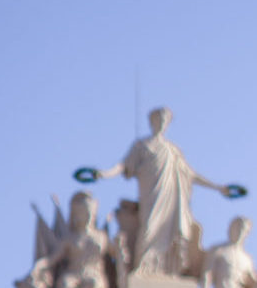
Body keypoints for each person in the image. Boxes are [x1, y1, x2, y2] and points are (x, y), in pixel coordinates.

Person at [95, 107, 233, 277]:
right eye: (159, 119)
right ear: (151, 121)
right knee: (149, 229)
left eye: (165, 120)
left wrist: (218, 187)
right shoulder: (141, 146)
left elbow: (191, 175)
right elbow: (123, 166)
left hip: (172, 199)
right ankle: (144, 266)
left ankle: (167, 271)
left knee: (170, 235)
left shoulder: (173, 150)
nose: (162, 123)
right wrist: (104, 173)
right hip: (152, 196)